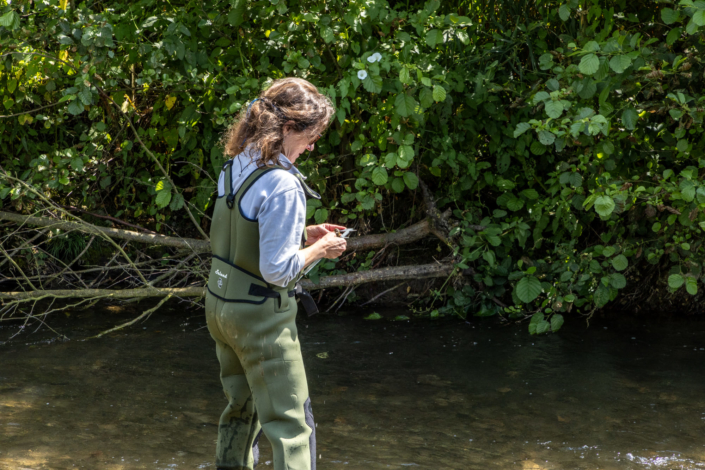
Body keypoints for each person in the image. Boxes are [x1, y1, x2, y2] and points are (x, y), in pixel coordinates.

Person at [205, 77, 347, 470]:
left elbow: (240, 236)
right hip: (260, 320)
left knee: (241, 409)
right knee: (292, 424)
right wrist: (320, 249)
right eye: (311, 135)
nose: (313, 146)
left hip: (220, 309)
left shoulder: (236, 165)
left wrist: (303, 234)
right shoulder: (284, 184)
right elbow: (277, 270)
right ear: (288, 128)